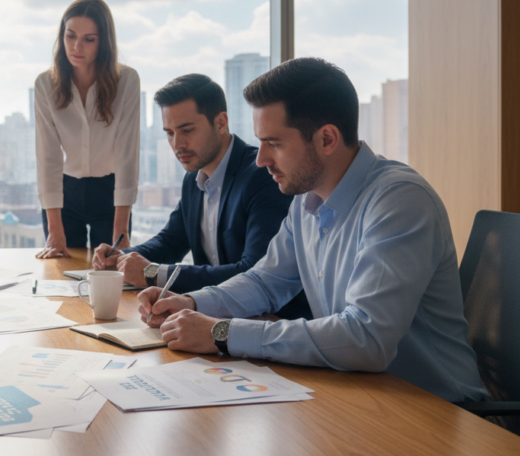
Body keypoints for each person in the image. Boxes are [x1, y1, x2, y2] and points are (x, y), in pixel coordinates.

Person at [138, 57, 487, 403]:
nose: (260, 160)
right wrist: (191, 302)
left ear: (327, 139)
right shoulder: (306, 201)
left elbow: (366, 339)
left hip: (436, 411)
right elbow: (264, 282)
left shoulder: (399, 202)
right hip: (360, 396)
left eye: (273, 143)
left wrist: (221, 332)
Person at [92, 74, 310, 320]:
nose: (177, 144)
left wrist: (154, 273)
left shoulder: (262, 176)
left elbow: (254, 271)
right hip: (210, 316)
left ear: (220, 122)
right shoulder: (194, 178)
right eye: (169, 133)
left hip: (270, 323)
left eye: (186, 130)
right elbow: (171, 242)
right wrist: (121, 257)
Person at [34, 0, 140, 258]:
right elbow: (48, 156)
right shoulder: (45, 84)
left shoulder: (127, 81)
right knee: (61, 273)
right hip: (64, 196)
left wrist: (121, 228)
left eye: (88, 39)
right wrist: (54, 229)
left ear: (103, 42)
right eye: (70, 36)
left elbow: (127, 155)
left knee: (112, 274)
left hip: (111, 195)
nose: (76, 47)